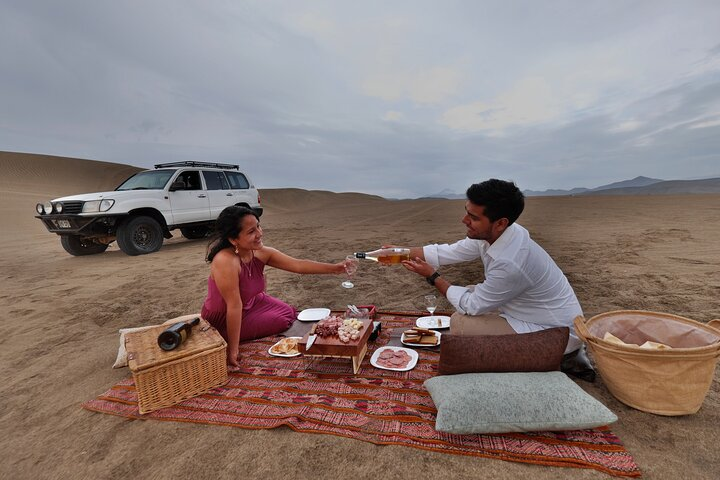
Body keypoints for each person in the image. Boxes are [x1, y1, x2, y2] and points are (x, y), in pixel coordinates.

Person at [398, 179, 593, 377]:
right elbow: (448, 252)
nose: (464, 220)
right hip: (533, 313)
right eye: (466, 211)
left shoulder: (512, 261)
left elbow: (471, 306)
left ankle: (563, 357)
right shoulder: (499, 233)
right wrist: (400, 253)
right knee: (473, 290)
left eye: (473, 217)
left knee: (460, 323)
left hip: (555, 333)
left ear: (500, 223)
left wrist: (433, 276)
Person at [201, 205, 348, 368]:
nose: (259, 233)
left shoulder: (259, 252)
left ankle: (258, 314)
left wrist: (336, 268)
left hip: (251, 303)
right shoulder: (225, 260)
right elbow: (233, 305)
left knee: (289, 312)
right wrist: (233, 350)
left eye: (258, 225)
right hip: (224, 318)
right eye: (251, 232)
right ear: (233, 239)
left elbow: (298, 265)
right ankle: (230, 336)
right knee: (281, 321)